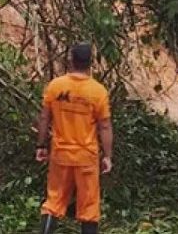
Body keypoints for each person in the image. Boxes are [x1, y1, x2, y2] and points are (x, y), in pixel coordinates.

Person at [36, 43, 113, 234]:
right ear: (90, 63)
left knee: (53, 203)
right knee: (89, 208)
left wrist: (41, 145)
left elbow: (45, 117)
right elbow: (104, 126)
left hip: (61, 154)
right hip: (86, 157)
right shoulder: (98, 92)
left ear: (71, 60)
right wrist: (107, 156)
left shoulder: (56, 86)